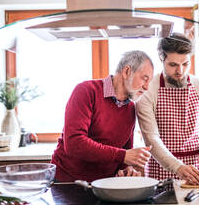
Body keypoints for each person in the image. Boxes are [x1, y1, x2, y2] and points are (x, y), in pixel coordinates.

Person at [51, 50, 154, 182]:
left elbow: (123, 154)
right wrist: (123, 156)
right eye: (144, 78)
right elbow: (74, 143)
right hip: (67, 182)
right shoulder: (86, 91)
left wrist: (126, 168)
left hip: (104, 185)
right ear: (127, 71)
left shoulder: (130, 109)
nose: (146, 87)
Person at [137, 33, 199, 185]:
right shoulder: (148, 90)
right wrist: (178, 167)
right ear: (162, 59)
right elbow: (151, 139)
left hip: (197, 170)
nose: (180, 71)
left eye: (185, 64)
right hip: (161, 170)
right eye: (173, 65)